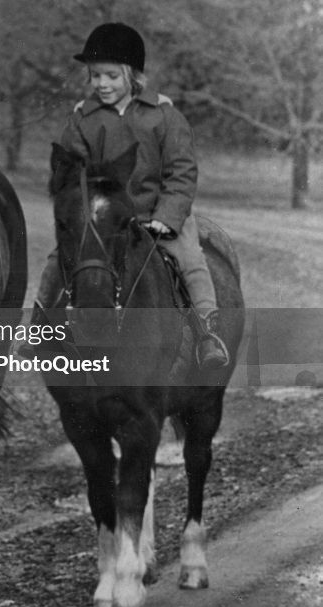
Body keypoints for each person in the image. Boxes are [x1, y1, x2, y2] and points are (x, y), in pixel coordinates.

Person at [33, 22, 229, 372]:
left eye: (111, 76)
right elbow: (72, 174)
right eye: (95, 76)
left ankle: (207, 333)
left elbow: (181, 172)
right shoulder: (83, 119)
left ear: (132, 75)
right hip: (104, 220)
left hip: (157, 214)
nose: (102, 84)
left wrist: (167, 219)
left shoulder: (165, 117)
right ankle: (38, 327)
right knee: (55, 262)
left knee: (191, 260)